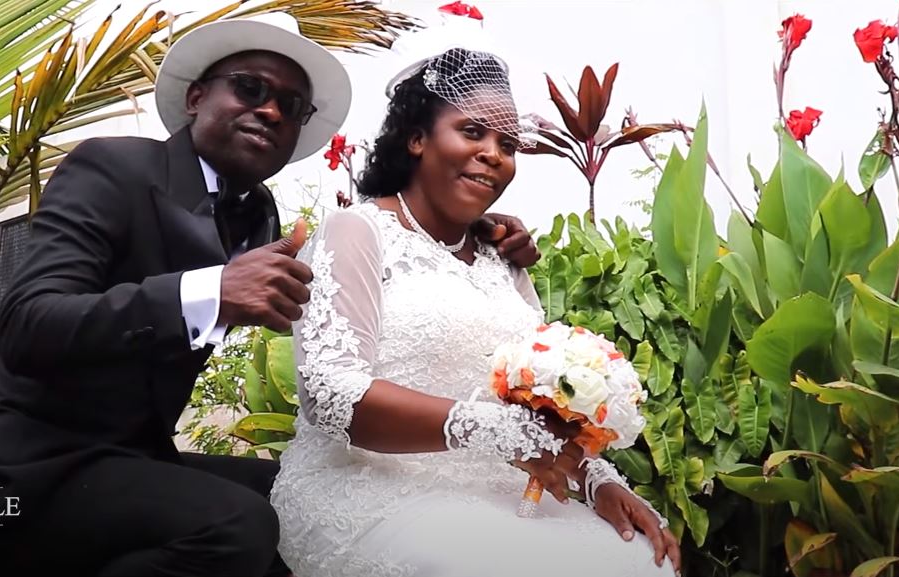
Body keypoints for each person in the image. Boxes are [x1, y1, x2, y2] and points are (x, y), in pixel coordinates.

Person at [0, 13, 542, 577]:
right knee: (240, 527)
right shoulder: (112, 168)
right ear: (196, 97)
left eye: (292, 105)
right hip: (17, 477)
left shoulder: (258, 215)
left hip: (132, 459)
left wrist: (467, 234)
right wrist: (210, 293)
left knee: (303, 507)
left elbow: (351, 295)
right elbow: (28, 322)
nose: (272, 110)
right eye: (250, 88)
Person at [269, 46, 683, 577]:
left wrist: (598, 481)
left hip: (501, 490)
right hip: (368, 486)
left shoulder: (505, 259)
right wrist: (501, 432)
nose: (493, 154)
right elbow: (329, 395)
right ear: (417, 138)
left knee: (642, 564)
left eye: (507, 144)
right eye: (472, 132)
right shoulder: (356, 231)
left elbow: (539, 404)